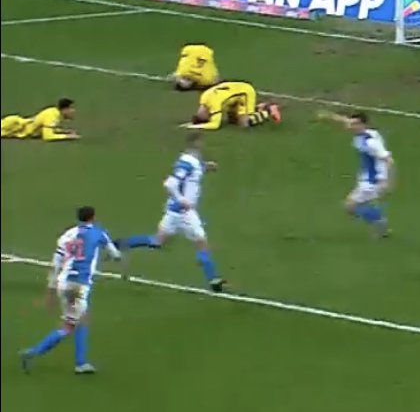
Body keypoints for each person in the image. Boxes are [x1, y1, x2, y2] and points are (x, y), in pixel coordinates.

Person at [115, 133, 225, 291]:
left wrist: (207, 167)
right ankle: (213, 279)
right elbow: (170, 184)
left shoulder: (192, 162)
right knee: (201, 242)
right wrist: (181, 199)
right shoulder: (187, 163)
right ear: (197, 143)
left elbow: (192, 173)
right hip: (185, 212)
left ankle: (122, 243)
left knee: (157, 241)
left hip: (174, 211)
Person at [20, 206, 123, 374]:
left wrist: (51, 289)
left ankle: (80, 362)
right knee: (71, 325)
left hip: (64, 283)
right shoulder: (99, 233)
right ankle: (34, 353)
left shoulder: (66, 235)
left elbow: (56, 264)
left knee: (78, 321)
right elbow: (115, 254)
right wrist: (115, 257)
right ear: (93, 217)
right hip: (79, 285)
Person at [317, 111, 394, 238]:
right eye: (352, 123)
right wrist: (329, 116)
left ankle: (379, 221)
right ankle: (379, 221)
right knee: (353, 206)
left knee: (349, 206)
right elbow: (345, 120)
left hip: (373, 181)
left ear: (363, 125)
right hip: (367, 178)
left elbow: (389, 160)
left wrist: (387, 182)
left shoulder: (370, 142)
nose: (350, 126)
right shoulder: (367, 132)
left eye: (355, 124)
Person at [184, 81, 281, 130]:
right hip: (234, 94)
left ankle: (269, 110)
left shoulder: (214, 105)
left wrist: (194, 127)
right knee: (232, 121)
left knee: (244, 124)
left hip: (244, 92)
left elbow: (215, 125)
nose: (200, 112)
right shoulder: (203, 98)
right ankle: (260, 107)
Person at [1, 98, 79, 141]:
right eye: (71, 108)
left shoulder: (54, 112)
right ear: (64, 109)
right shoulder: (52, 115)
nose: (73, 111)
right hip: (14, 126)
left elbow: (45, 128)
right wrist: (67, 136)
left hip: (18, 126)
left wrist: (63, 131)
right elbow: (48, 136)